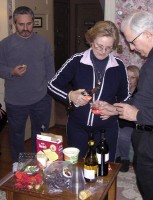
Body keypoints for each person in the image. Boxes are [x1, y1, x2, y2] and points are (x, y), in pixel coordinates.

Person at [97, 10, 153, 200]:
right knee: (148, 190)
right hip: (151, 143)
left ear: (148, 34)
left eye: (132, 41)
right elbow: (144, 99)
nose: (131, 48)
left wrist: (137, 116)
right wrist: (115, 109)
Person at [47, 21, 129, 162]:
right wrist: (70, 95)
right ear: (91, 41)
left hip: (107, 130)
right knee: (77, 168)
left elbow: (126, 97)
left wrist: (114, 110)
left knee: (105, 170)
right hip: (78, 127)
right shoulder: (76, 61)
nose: (103, 52)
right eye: (99, 46)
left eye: (108, 48)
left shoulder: (118, 66)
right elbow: (52, 85)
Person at [0, 6, 55, 172]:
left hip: (41, 97)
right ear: (14, 23)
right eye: (21, 24)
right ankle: (18, 162)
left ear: (33, 23)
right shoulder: (5, 44)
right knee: (16, 134)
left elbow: (50, 70)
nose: (25, 28)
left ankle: (40, 162)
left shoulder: (43, 43)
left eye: (29, 24)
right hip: (15, 99)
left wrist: (49, 92)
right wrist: (11, 72)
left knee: (41, 134)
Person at [116, 65, 139, 172]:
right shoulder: (119, 89)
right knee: (111, 132)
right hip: (116, 120)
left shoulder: (140, 93)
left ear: (137, 79)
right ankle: (116, 157)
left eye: (132, 77)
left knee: (123, 135)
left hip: (131, 123)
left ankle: (124, 159)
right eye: (127, 76)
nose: (129, 80)